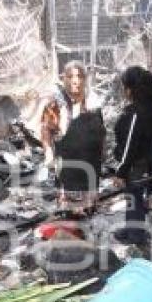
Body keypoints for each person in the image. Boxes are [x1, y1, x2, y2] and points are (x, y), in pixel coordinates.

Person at [41, 61, 106, 212]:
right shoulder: (55, 104)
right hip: (67, 166)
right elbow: (46, 131)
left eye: (79, 76)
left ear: (85, 79)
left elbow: (101, 131)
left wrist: (103, 151)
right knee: (70, 212)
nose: (75, 80)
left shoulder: (93, 102)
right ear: (63, 78)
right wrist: (48, 153)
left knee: (89, 210)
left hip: (91, 164)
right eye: (70, 76)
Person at [111, 67, 152, 245]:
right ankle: (132, 228)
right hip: (150, 162)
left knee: (134, 200)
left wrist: (120, 172)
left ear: (130, 90)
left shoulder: (135, 114)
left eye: (125, 86)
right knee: (136, 199)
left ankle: (136, 236)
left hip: (137, 166)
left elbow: (129, 147)